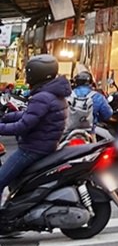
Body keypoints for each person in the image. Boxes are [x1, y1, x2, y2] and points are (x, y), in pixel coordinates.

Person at [0, 55, 71, 203]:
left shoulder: (43, 97)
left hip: (32, 149)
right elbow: (30, 115)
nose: (26, 77)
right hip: (45, 145)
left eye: (28, 73)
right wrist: (6, 117)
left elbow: (23, 126)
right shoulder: (53, 94)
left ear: (35, 74)